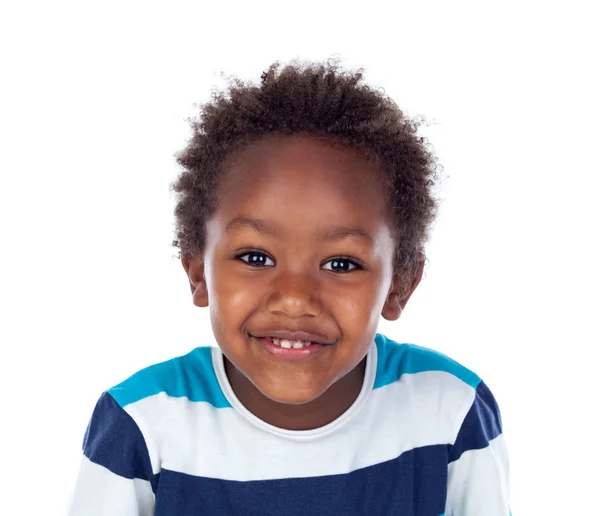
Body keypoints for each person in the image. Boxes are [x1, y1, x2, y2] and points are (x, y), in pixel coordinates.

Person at [67, 60, 511, 515]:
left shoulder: (450, 411)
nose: (295, 298)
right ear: (197, 271)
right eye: (255, 258)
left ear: (400, 284)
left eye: (341, 263)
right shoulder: (142, 424)